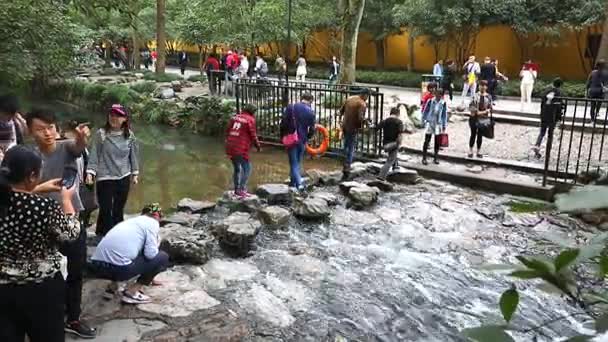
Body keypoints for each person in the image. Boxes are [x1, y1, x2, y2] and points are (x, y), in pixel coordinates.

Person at [26, 110, 97, 339]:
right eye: (41, 129)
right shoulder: (27, 157)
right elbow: (18, 191)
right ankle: (49, 318)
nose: (47, 133)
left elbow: (78, 147)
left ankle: (73, 318)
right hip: (42, 224)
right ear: (30, 131)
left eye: (51, 127)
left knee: (76, 270)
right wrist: (40, 188)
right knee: (48, 276)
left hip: (71, 218)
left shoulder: (66, 146)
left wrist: (83, 137)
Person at [0, 146, 81, 342]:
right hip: (41, 289)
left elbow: (14, 196)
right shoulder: (44, 207)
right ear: (31, 176)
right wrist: (67, 202)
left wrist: (38, 188)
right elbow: (70, 234)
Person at [90, 203, 169, 305]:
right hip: (118, 270)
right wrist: (157, 242)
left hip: (97, 267)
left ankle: (112, 287)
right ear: (156, 215)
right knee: (162, 257)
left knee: (124, 255)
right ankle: (132, 293)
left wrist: (150, 277)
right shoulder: (152, 223)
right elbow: (150, 254)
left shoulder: (131, 222)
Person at [86, 104, 139, 236]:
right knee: (105, 209)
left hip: (123, 176)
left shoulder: (130, 135)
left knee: (118, 209)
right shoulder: (101, 134)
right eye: (111, 114)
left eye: (118, 115)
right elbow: (94, 154)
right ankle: (104, 235)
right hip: (105, 177)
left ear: (125, 119)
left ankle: (118, 235)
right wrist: (90, 173)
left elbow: (133, 155)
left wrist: (135, 173)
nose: (113, 117)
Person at [60, 121, 98, 229]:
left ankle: (83, 226)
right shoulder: (66, 144)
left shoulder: (84, 146)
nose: (87, 132)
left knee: (87, 207)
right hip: (71, 184)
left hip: (83, 182)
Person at [281, 93, 316, 190]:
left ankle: (299, 185)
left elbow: (283, 122)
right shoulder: (311, 112)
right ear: (310, 101)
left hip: (291, 139)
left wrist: (283, 136)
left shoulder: (291, 107)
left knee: (293, 163)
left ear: (302, 98)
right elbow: (312, 129)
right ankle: (293, 183)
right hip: (302, 139)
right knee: (297, 162)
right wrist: (307, 137)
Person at [225, 104, 261, 198]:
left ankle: (236, 190)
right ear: (252, 112)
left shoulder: (235, 117)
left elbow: (227, 130)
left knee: (237, 168)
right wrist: (258, 146)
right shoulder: (250, 120)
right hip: (240, 148)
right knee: (247, 168)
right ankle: (241, 189)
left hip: (230, 146)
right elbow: (253, 135)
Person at [341, 89, 370, 177]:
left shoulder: (349, 99)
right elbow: (360, 118)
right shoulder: (362, 104)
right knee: (351, 147)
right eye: (367, 96)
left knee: (346, 144)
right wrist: (366, 121)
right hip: (353, 128)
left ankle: (343, 161)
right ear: (365, 95)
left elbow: (341, 111)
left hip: (345, 125)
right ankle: (347, 166)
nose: (367, 98)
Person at [532, 78, 564, 157]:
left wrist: (541, 113)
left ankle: (537, 145)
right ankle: (548, 150)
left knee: (542, 132)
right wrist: (559, 117)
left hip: (544, 114)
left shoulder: (546, 91)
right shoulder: (559, 93)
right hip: (552, 116)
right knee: (550, 133)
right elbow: (559, 106)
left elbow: (542, 103)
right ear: (560, 86)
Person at [421, 88, 448, 165]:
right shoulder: (431, 101)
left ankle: (435, 157)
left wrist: (444, 125)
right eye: (437, 94)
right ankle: (424, 157)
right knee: (427, 140)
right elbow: (425, 111)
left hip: (438, 123)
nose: (438, 96)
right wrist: (423, 120)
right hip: (430, 122)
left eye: (440, 94)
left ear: (442, 95)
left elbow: (444, 115)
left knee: (437, 141)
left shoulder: (443, 103)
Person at [376, 107, 404, 179]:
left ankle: (395, 167)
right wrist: (399, 143)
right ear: (398, 114)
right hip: (394, 143)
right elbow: (400, 134)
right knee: (390, 160)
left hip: (385, 144)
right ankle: (381, 176)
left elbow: (376, 128)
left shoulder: (385, 121)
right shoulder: (399, 122)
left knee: (393, 155)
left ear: (390, 113)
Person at [468, 80, 493, 158]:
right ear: (478, 86)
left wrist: (486, 111)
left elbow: (490, 107)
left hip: (483, 119)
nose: (482, 87)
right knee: (473, 134)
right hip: (474, 118)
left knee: (480, 135)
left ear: (486, 87)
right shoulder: (474, 96)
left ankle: (478, 151)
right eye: (481, 85)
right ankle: (470, 150)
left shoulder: (488, 96)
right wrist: (481, 112)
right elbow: (472, 107)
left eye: (484, 85)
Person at [0, 94, 26, 161]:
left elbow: (27, 133)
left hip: (12, 151)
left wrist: (21, 121)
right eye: (6, 114)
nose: (8, 117)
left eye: (11, 115)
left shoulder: (15, 122)